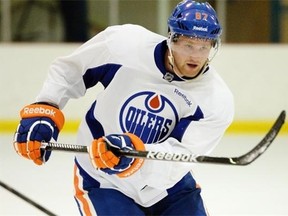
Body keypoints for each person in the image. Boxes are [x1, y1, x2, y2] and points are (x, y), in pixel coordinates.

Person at [13, 0, 234, 215]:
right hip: (103, 179)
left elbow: (179, 158)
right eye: (188, 45)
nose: (196, 56)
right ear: (172, 39)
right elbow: (71, 70)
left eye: (204, 47)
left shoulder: (216, 99)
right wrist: (46, 106)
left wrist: (136, 156)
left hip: (169, 188)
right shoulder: (125, 44)